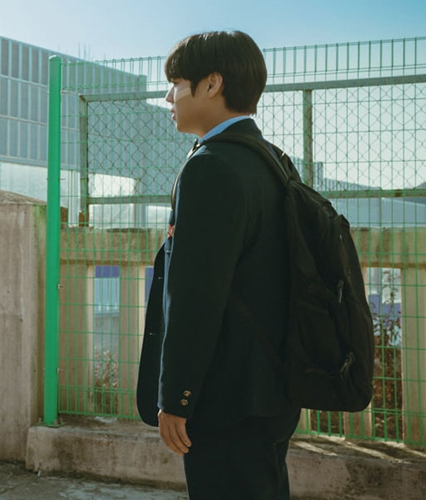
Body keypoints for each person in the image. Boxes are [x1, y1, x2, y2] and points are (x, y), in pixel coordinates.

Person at [139, 30, 300, 499]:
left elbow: (197, 293)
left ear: (212, 84)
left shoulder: (211, 166)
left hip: (225, 395)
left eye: (176, 83)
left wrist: (177, 396)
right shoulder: (272, 161)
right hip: (271, 387)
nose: (168, 97)